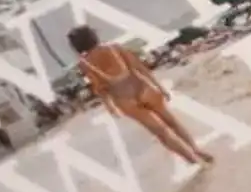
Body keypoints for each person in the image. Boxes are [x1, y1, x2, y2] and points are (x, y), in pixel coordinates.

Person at [65, 24, 210, 168]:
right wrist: (158, 86)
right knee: (172, 122)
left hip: (125, 101)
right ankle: (196, 149)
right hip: (143, 89)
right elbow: (138, 67)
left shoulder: (85, 64)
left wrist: (110, 106)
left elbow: (101, 88)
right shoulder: (114, 48)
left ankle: (193, 160)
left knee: (162, 133)